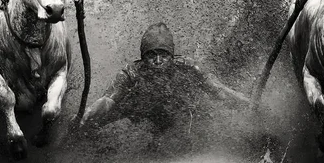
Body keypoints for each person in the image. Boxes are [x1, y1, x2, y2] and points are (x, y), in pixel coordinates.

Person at [79, 22, 250, 132]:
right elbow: (108, 100)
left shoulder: (188, 68)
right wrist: (85, 115)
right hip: (139, 110)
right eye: (151, 55)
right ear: (143, 58)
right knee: (93, 122)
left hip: (177, 111)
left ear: (172, 56)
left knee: (206, 116)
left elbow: (218, 90)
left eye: (164, 55)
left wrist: (245, 103)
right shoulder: (131, 72)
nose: (158, 61)